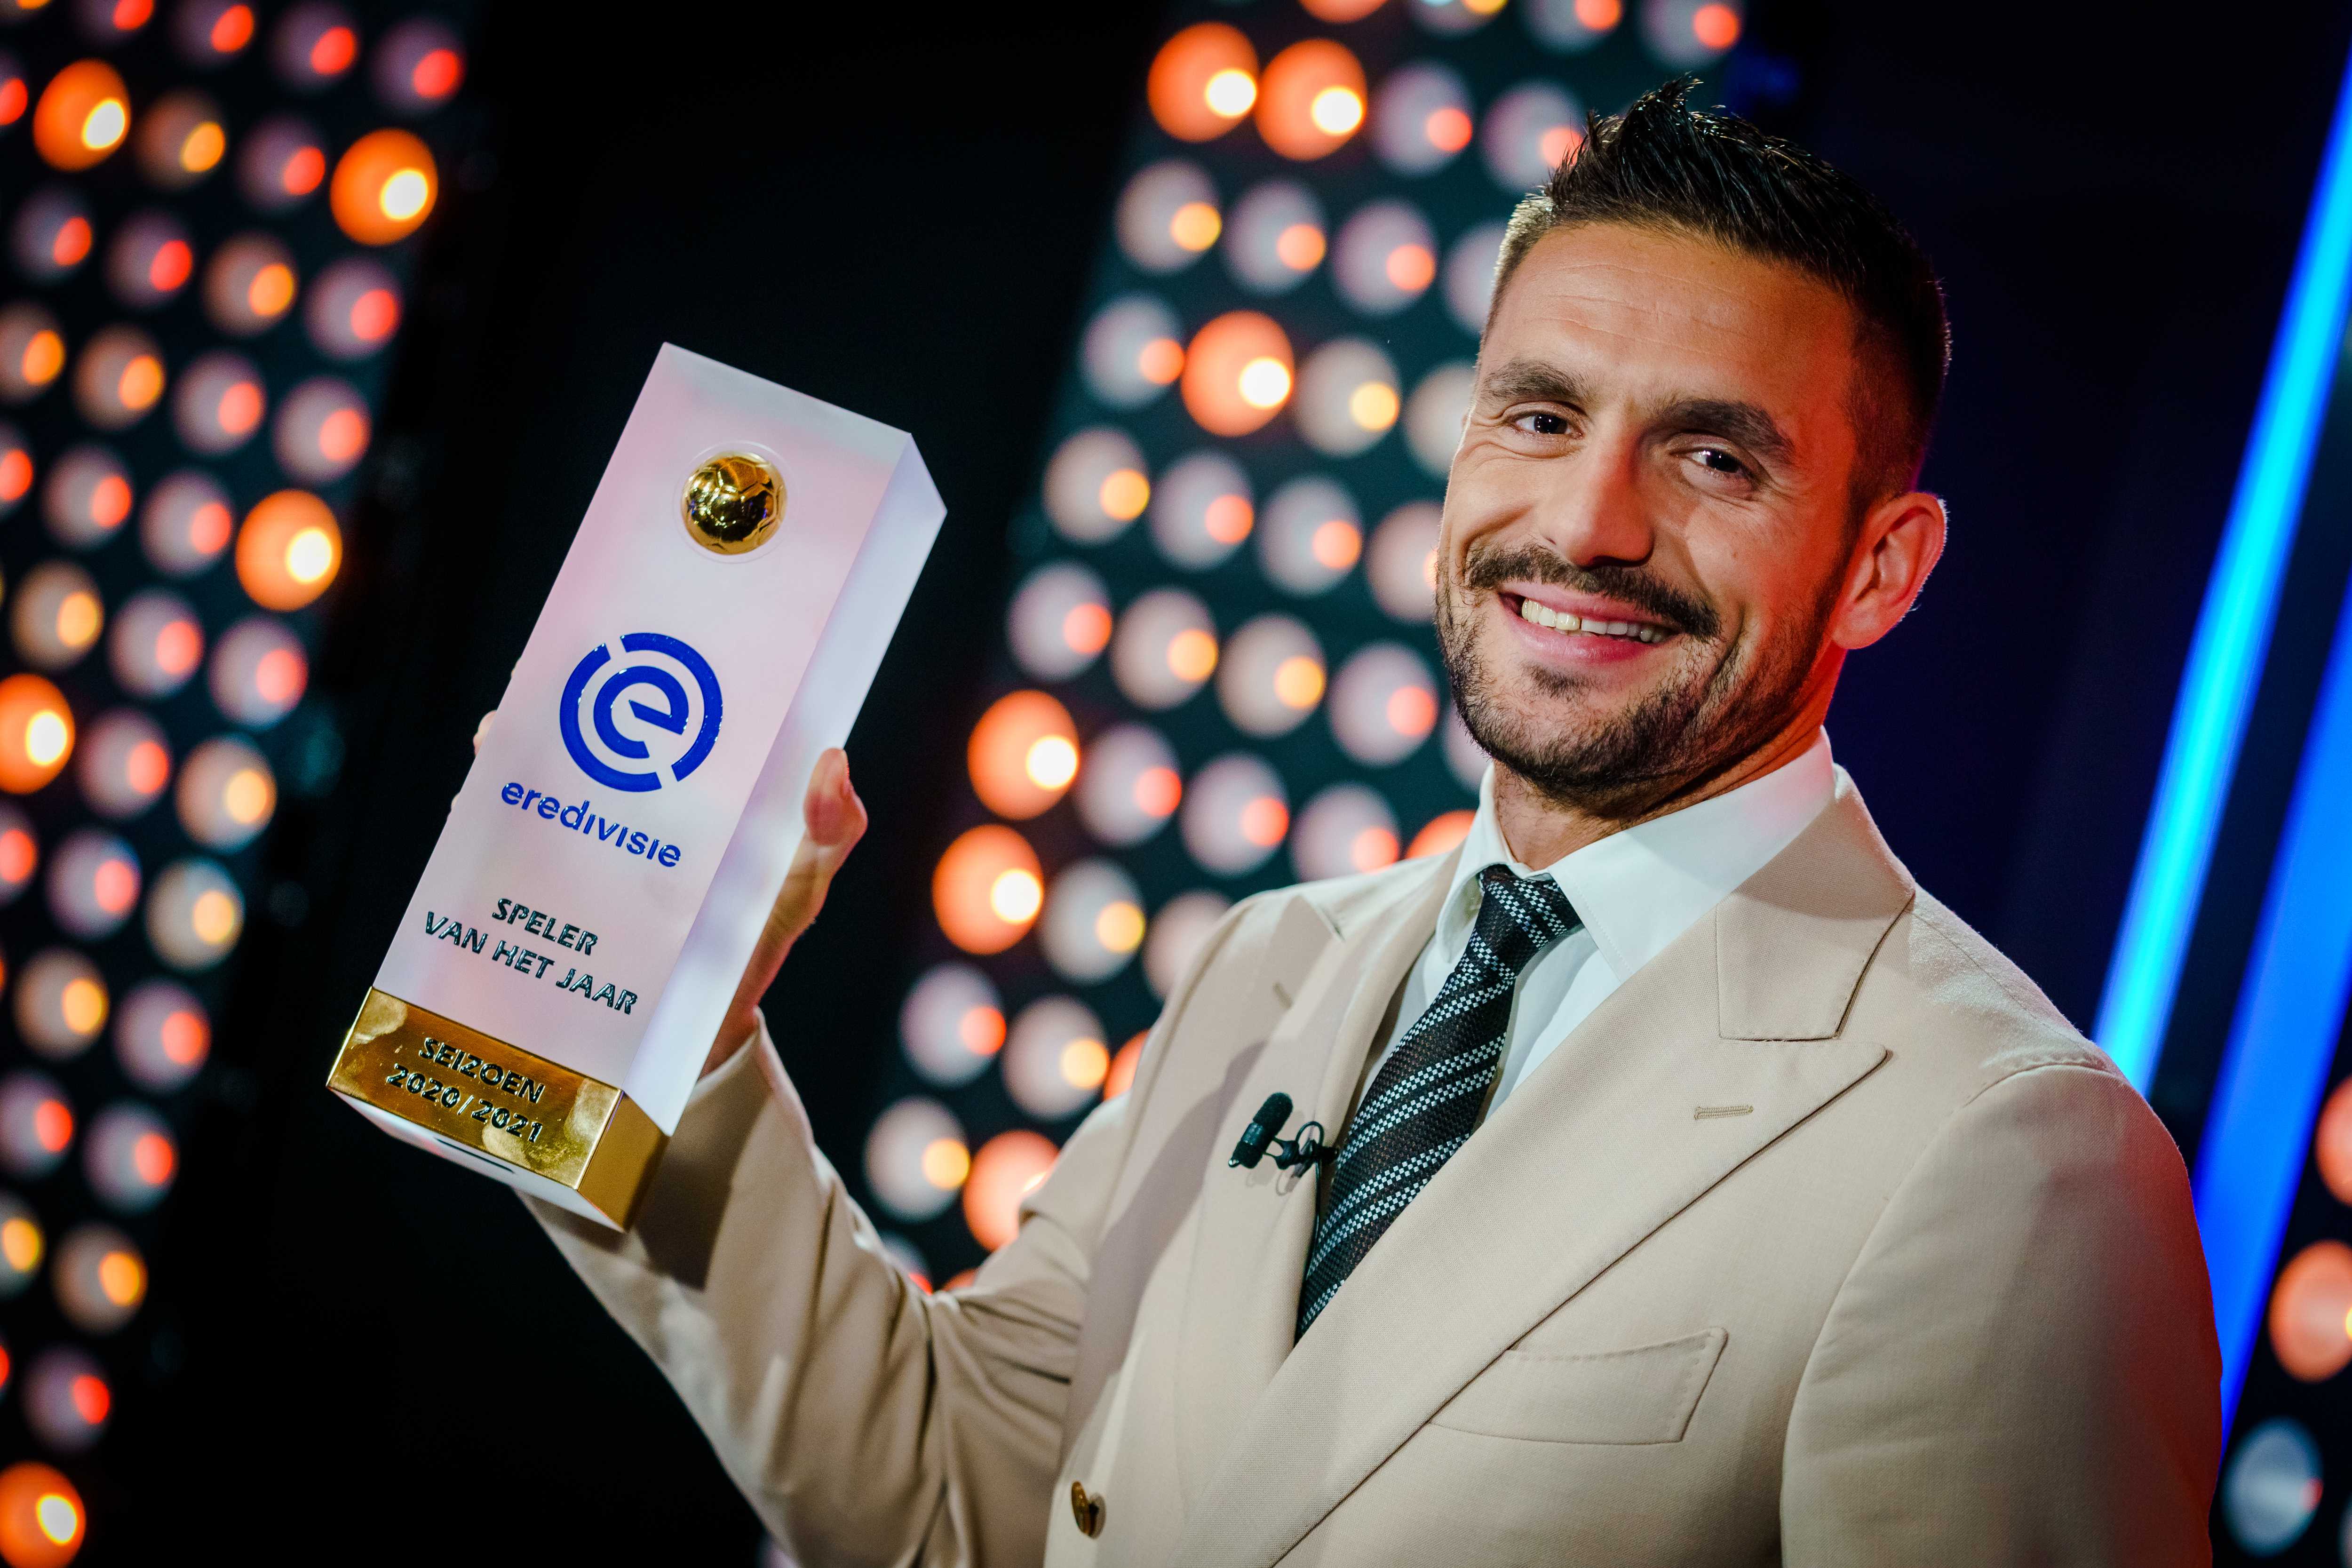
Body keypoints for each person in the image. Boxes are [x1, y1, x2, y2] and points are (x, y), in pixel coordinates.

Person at [524, 81, 2220, 1566]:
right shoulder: (1275, 963)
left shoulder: (2008, 1156)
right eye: (1541, 418)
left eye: (1712, 461)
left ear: (1882, 567)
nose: (1587, 523)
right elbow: (970, 1517)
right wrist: (670, 1007)